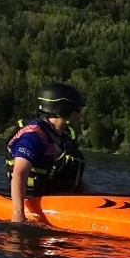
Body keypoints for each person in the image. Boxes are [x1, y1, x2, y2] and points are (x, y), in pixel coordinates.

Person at [5, 83, 87, 223]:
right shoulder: (34, 135)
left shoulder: (63, 139)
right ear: (65, 109)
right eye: (77, 109)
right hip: (31, 198)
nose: (80, 114)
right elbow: (19, 173)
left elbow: (72, 177)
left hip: (58, 198)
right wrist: (18, 215)